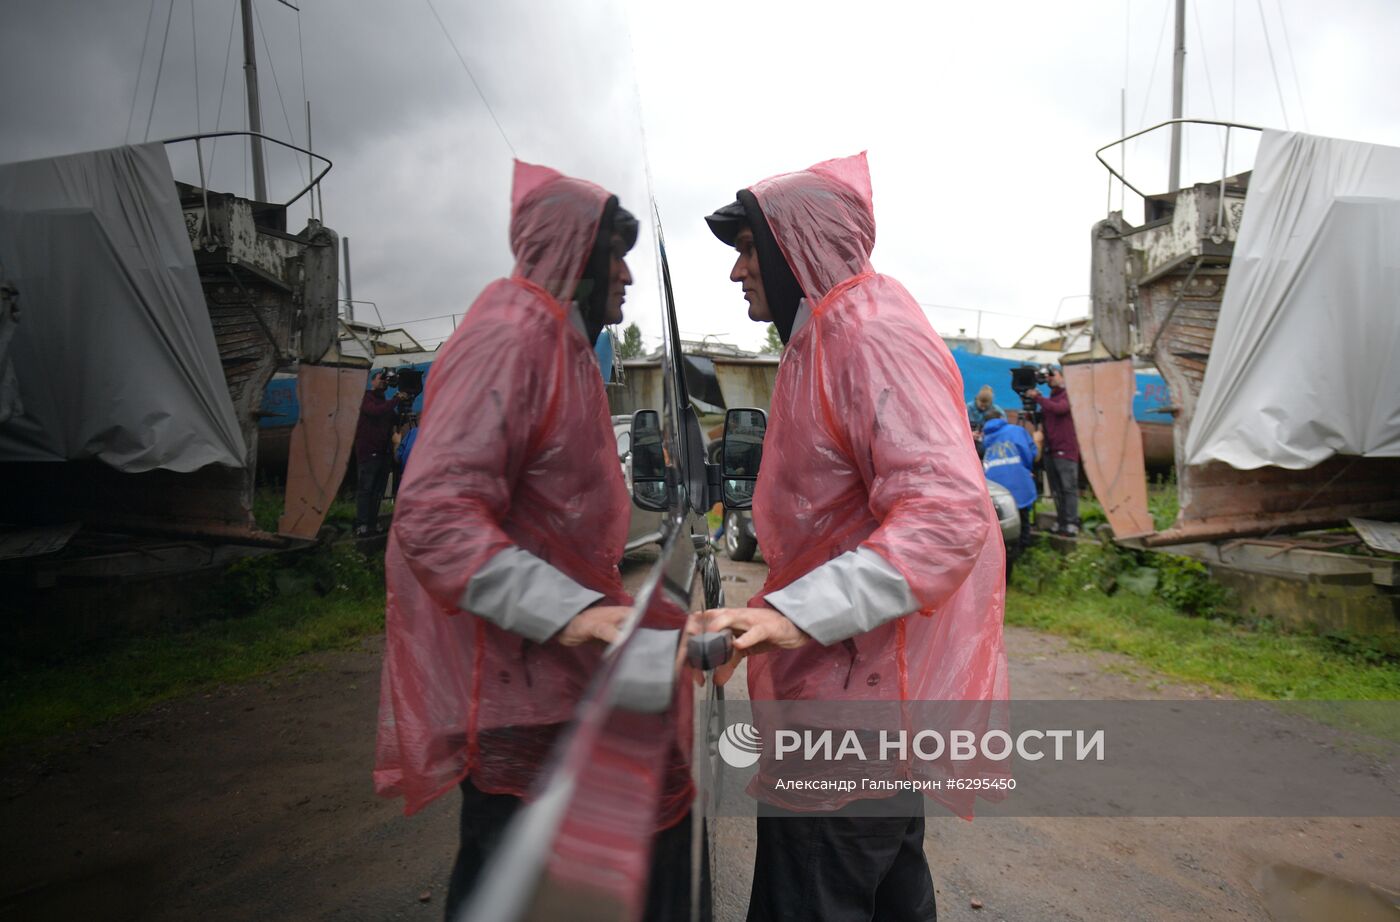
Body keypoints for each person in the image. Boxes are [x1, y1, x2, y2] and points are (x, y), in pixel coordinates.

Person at [374, 161, 688, 921]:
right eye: (613, 254)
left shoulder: (567, 349)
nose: (626, 277)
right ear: (572, 255)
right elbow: (436, 513)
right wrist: (573, 613)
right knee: (512, 882)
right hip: (524, 686)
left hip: (566, 681)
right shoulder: (511, 339)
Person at [702, 153, 1008, 922]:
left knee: (811, 893)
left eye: (749, 248)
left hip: (849, 712)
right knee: (891, 896)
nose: (739, 271)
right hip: (860, 704)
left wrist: (787, 616)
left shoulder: (864, 336)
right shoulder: (824, 339)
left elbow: (946, 514)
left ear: (790, 246)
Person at [980, 407, 1037, 578]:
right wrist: (1025, 468)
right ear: (1002, 417)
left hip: (996, 492)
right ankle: (1022, 556)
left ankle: (1000, 565)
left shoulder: (985, 438)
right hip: (1019, 484)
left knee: (999, 531)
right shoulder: (1017, 430)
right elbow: (1030, 453)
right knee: (1023, 521)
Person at [352, 371, 409, 536]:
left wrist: (404, 407)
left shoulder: (385, 403)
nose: (384, 381)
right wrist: (396, 399)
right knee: (366, 490)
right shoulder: (366, 398)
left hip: (384, 453)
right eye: (380, 378)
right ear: (372, 382)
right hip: (369, 453)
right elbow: (375, 411)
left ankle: (372, 523)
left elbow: (396, 420)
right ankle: (361, 525)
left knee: (377, 491)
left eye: (386, 379)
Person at [1026, 365, 1080, 536]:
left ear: (1063, 377)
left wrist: (1039, 398)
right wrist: (1031, 410)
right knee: (1057, 490)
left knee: (1068, 488)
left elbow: (1060, 409)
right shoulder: (1051, 398)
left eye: (1053, 375)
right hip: (1050, 450)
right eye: (1047, 376)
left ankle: (1071, 523)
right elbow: (1044, 415)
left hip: (1065, 450)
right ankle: (1061, 522)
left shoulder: (1068, 395)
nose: (1049, 378)